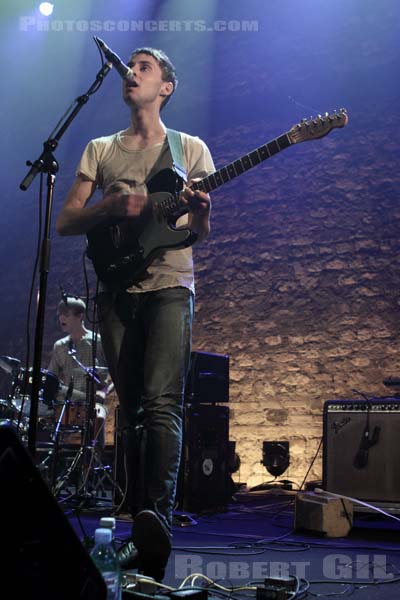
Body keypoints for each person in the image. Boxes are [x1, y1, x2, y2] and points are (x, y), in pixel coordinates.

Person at [55, 47, 214, 581]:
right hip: (116, 288)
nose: (133, 72)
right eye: (132, 66)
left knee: (165, 403)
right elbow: (67, 222)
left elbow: (198, 233)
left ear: (166, 87)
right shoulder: (100, 149)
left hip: (171, 283)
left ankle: (156, 524)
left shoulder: (189, 148)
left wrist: (204, 213)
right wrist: (108, 207)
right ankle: (136, 518)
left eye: (145, 67)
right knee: (135, 408)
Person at [48, 296, 108, 441]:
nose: (61, 318)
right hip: (67, 403)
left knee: (98, 418)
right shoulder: (59, 346)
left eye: (66, 315)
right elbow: (52, 377)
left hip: (93, 403)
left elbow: (113, 372)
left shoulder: (98, 341)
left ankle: (94, 460)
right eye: (60, 315)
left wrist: (103, 391)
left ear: (80, 316)